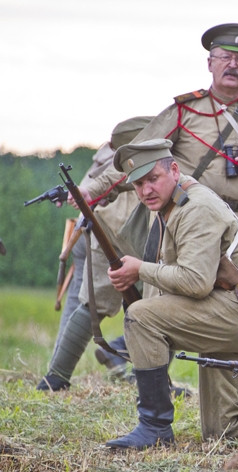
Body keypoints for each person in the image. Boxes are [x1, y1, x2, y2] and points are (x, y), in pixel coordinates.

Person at [104, 139, 238, 449]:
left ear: (174, 170)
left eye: (153, 178)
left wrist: (140, 270)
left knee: (141, 317)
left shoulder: (195, 207)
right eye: (139, 184)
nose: (146, 190)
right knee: (223, 429)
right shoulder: (171, 203)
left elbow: (196, 281)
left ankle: (154, 427)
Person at [79, 23, 238, 247]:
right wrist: (92, 191)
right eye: (225, 57)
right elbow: (136, 157)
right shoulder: (185, 111)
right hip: (191, 222)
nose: (233, 65)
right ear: (210, 63)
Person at [37, 116, 152, 392]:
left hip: (98, 227)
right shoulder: (148, 160)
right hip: (118, 232)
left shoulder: (107, 155)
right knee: (159, 304)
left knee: (91, 303)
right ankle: (152, 382)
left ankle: (55, 377)